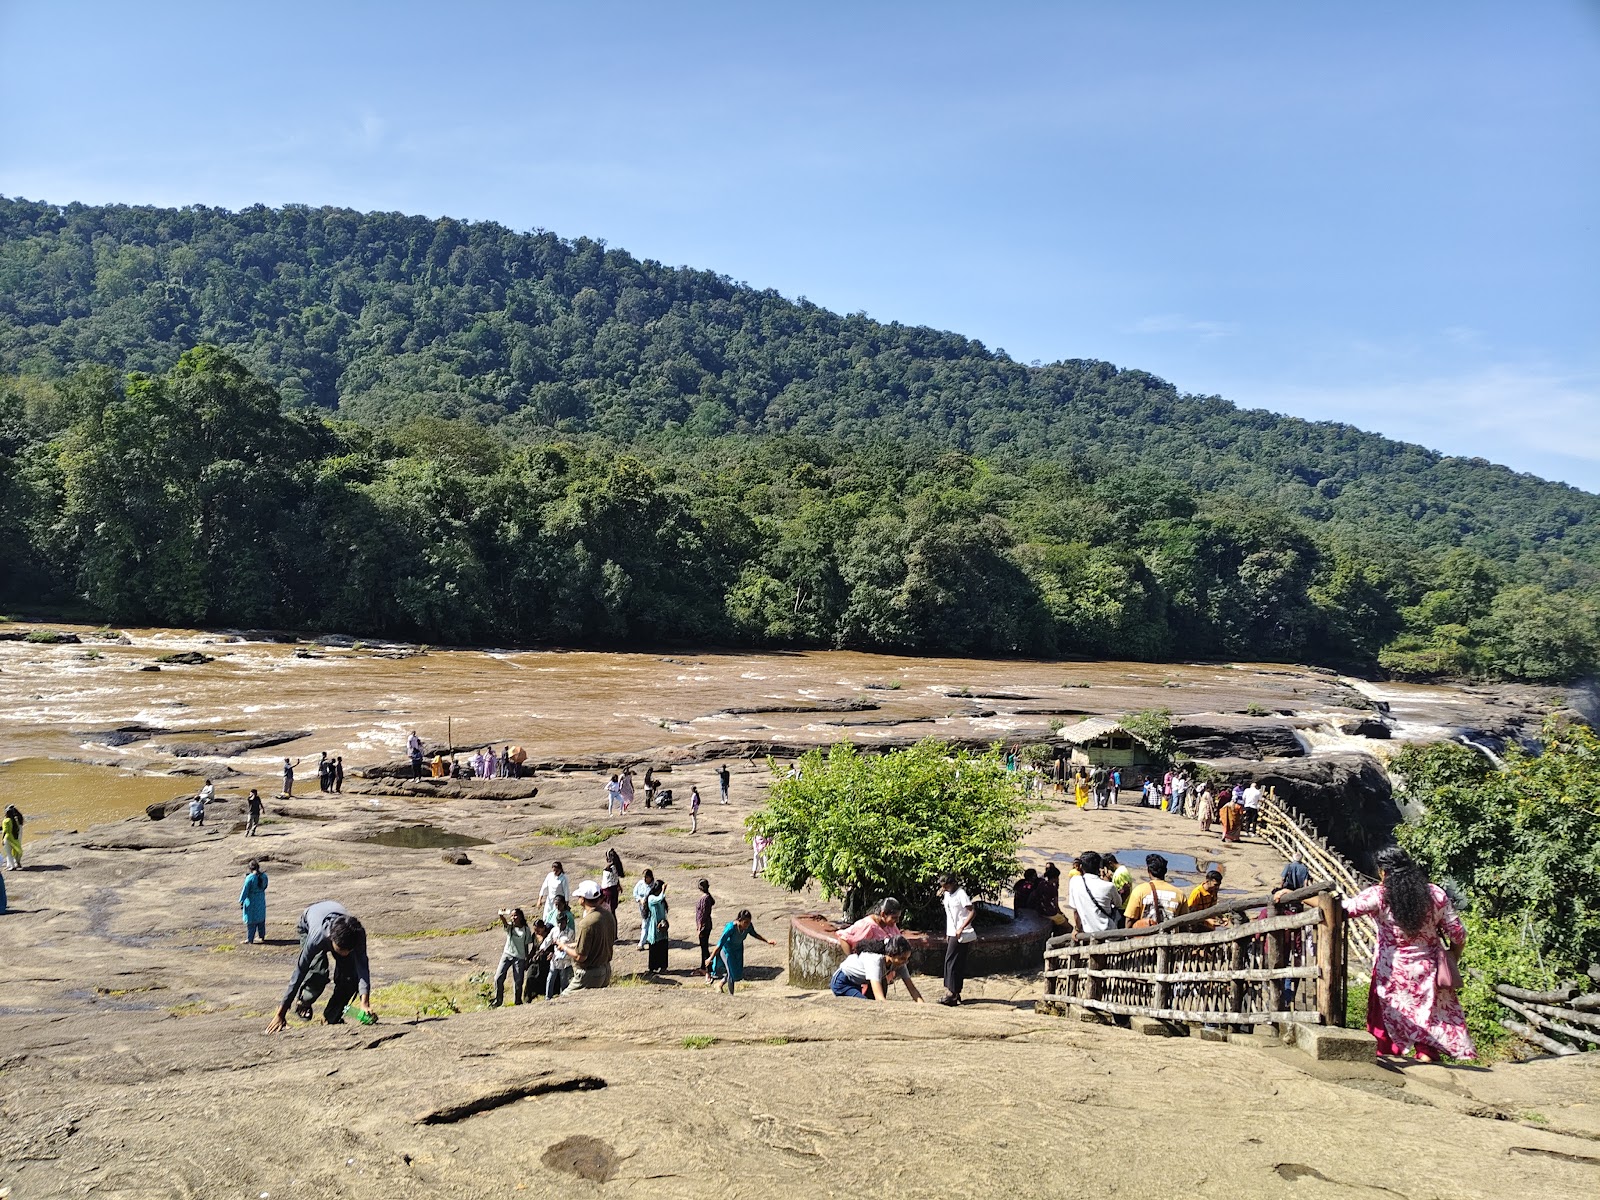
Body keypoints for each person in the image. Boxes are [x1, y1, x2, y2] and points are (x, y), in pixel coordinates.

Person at [1345, 848, 1474, 1061]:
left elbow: (1342, 908)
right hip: (1428, 968)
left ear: (1383, 872)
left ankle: (1387, 1058)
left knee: (1388, 1016)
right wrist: (1452, 956)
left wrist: (1307, 899)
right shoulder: (1435, 893)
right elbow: (1458, 934)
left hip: (1392, 970)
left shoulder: (1379, 895)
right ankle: (1426, 1054)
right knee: (1427, 1014)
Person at [267, 900, 372, 1031]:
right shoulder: (317, 938)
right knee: (318, 972)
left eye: (349, 950)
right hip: (308, 924)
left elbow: (362, 965)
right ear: (332, 940)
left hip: (337, 923)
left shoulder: (357, 933)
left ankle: (331, 1018)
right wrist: (280, 1014)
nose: (346, 954)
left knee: (350, 978)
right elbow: (300, 971)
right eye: (341, 950)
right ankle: (304, 1002)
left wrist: (365, 1003)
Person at [558, 880, 617, 992]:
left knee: (565, 1000)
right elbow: (600, 940)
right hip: (605, 969)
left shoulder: (586, 923)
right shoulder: (607, 915)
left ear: (583, 900)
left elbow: (581, 956)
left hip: (589, 974)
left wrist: (564, 947)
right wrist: (574, 944)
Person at [830, 935, 924, 1002]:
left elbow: (912, 989)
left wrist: (923, 1006)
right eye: (902, 958)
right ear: (890, 954)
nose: (905, 962)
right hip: (842, 982)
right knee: (864, 1005)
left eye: (907, 959)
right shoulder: (875, 961)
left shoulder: (899, 963)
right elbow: (880, 998)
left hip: (857, 983)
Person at [709, 908, 777, 995]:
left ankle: (720, 984)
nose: (747, 925)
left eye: (748, 922)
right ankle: (731, 995)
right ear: (739, 920)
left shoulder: (748, 927)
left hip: (738, 950)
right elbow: (720, 943)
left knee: (736, 974)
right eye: (745, 922)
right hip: (727, 951)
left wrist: (767, 941)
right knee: (730, 973)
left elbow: (755, 934)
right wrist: (711, 958)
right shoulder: (730, 928)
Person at [938, 874, 977, 1006]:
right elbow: (949, 914)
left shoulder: (961, 894)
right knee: (953, 961)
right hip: (952, 931)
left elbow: (972, 911)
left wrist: (961, 927)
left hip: (960, 932)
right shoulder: (947, 894)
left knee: (952, 961)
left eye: (945, 885)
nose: (944, 888)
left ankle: (952, 992)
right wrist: (948, 932)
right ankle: (955, 991)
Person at [1066, 851, 1122, 934]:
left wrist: (1077, 929)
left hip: (1088, 932)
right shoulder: (1109, 886)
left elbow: (1075, 911)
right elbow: (1118, 904)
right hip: (1108, 932)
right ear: (1099, 867)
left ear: (1081, 866)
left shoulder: (1074, 881)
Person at [1124, 853, 1185, 928]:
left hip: (1144, 938)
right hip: (1170, 938)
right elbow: (1184, 923)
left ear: (1149, 871)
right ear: (1165, 871)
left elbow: (1129, 920)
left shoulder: (1139, 891)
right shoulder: (1180, 894)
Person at [492, 907, 533, 1006]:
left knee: (518, 981)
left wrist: (527, 959)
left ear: (520, 917)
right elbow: (505, 924)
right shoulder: (510, 927)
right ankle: (498, 1000)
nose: (513, 918)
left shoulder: (526, 929)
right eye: (512, 916)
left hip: (519, 957)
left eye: (515, 916)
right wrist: (501, 916)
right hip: (507, 954)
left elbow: (526, 945)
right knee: (498, 977)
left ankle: (517, 1001)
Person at [537, 903, 575, 998]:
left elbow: (572, 945)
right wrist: (541, 950)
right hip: (555, 959)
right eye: (558, 922)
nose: (560, 924)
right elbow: (547, 941)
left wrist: (561, 945)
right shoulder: (554, 930)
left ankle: (563, 998)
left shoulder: (570, 932)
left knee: (563, 981)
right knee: (550, 978)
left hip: (565, 960)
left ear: (566, 922)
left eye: (561, 922)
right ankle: (547, 998)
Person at [834, 898, 904, 950]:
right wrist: (853, 959)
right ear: (883, 914)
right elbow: (844, 938)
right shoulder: (867, 926)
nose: (897, 921)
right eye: (894, 918)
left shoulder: (890, 925)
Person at [238, 859, 269, 943]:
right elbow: (265, 886)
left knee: (251, 921)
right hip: (260, 899)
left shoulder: (250, 878)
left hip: (251, 900)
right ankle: (261, 936)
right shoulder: (264, 876)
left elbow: (245, 890)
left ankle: (250, 939)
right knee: (261, 919)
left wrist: (241, 900)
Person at [644, 881, 670, 974]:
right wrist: (663, 891)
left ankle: (663, 967)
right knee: (654, 946)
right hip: (654, 926)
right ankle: (652, 967)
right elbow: (658, 899)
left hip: (663, 925)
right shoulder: (651, 898)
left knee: (663, 946)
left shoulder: (661, 899)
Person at [523, 919, 552, 1000]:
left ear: (543, 928)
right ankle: (527, 998)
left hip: (545, 962)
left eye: (538, 930)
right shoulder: (534, 936)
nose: (536, 932)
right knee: (530, 977)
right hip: (535, 960)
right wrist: (528, 958)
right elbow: (533, 948)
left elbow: (552, 948)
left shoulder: (549, 936)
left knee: (544, 978)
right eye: (535, 930)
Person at [694, 878, 716, 978]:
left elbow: (703, 914)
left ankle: (707, 968)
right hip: (707, 925)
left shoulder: (704, 899)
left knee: (704, 947)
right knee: (704, 947)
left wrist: (700, 928)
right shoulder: (708, 897)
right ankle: (704, 966)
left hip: (704, 926)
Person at [538, 861, 569, 926]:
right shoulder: (550, 876)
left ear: (560, 870)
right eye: (553, 870)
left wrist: (566, 902)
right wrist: (539, 899)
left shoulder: (563, 878)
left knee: (556, 917)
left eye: (556, 871)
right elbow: (544, 887)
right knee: (546, 916)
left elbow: (566, 890)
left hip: (559, 901)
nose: (555, 872)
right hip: (550, 900)